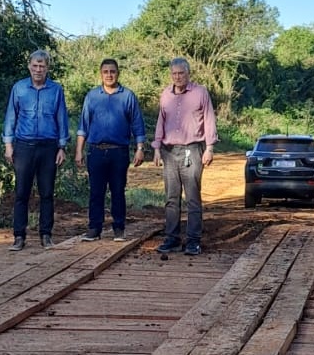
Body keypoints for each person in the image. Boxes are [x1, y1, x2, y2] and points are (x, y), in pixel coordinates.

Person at [2, 49, 69, 249]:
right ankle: (19, 236)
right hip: (24, 146)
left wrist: (62, 147)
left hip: (48, 147)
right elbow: (11, 116)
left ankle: (46, 235)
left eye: (42, 66)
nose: (38, 69)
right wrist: (8, 145)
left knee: (47, 192)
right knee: (22, 192)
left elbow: (61, 118)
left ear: (47, 68)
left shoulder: (56, 90)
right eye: (35, 65)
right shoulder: (19, 88)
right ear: (29, 66)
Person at [74, 58, 146, 240]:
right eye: (105, 72)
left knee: (118, 190)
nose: (109, 75)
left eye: (112, 71)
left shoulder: (127, 96)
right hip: (96, 150)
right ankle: (94, 229)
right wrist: (78, 151)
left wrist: (139, 148)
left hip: (118, 151)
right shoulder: (92, 96)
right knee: (96, 191)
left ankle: (119, 228)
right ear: (101, 74)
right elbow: (83, 125)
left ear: (118, 73)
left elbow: (137, 123)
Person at [152, 57, 217, 256]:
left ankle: (193, 241)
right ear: (170, 75)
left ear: (188, 74)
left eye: (181, 73)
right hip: (169, 151)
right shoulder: (165, 94)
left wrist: (210, 147)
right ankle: (171, 238)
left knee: (192, 197)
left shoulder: (200, 93)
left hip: (192, 149)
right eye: (174, 73)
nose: (178, 77)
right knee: (171, 197)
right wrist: (156, 147)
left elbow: (209, 118)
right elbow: (161, 121)